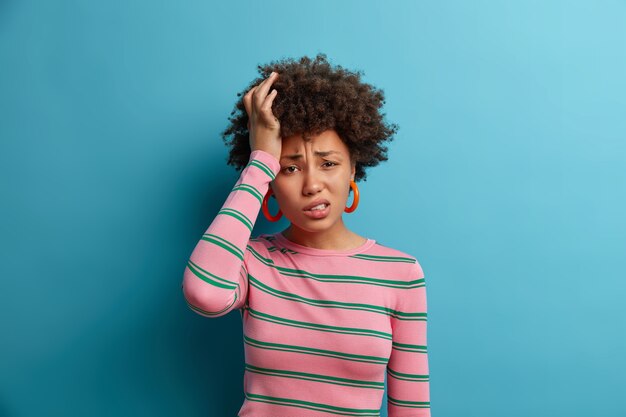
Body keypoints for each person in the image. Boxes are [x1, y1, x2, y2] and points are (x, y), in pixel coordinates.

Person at [182, 53, 431, 417]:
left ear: (353, 168)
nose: (312, 185)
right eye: (290, 167)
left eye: (328, 164)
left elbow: (411, 410)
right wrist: (260, 162)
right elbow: (204, 294)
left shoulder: (400, 273)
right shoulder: (252, 261)